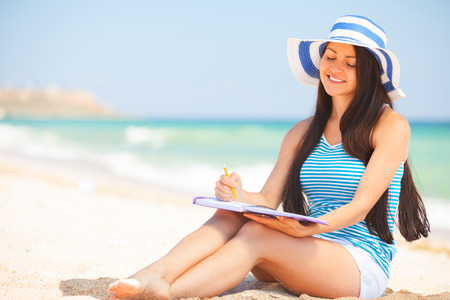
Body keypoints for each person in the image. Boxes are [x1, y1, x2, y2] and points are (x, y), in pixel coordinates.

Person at [107, 15, 430, 299]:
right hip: (298, 253)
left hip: (357, 263)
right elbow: (267, 199)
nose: (336, 68)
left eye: (351, 63)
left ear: (372, 74)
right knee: (234, 216)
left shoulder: (389, 126)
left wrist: (305, 230)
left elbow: (360, 207)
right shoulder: (301, 132)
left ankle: (167, 293)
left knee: (257, 234)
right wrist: (237, 194)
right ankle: (155, 275)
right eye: (331, 57)